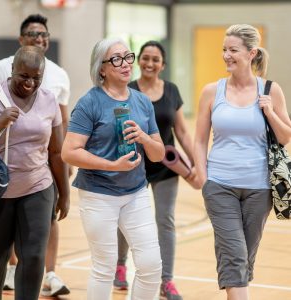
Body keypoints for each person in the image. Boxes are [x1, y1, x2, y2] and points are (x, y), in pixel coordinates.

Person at [193, 24, 291, 300]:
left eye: (233, 50)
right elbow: (199, 140)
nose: (226, 55)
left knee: (243, 260)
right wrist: (204, 179)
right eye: (224, 49)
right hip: (220, 186)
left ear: (252, 53)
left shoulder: (271, 90)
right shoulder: (212, 92)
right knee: (235, 257)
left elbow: (285, 137)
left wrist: (270, 111)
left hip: (259, 190)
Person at [61, 37, 164, 300]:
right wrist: (111, 165)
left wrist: (143, 137)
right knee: (104, 268)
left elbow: (159, 153)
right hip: (99, 194)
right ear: (102, 69)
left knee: (151, 265)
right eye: (116, 59)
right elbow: (69, 152)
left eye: (128, 57)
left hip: (136, 193)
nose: (126, 63)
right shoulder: (89, 103)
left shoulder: (142, 102)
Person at [0, 14, 71, 297]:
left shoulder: (49, 98)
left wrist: (64, 193)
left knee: (34, 256)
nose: (29, 83)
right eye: (23, 76)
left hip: (38, 187)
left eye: (36, 78)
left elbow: (57, 150)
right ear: (11, 70)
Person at [114, 40, 196, 300]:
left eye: (155, 59)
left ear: (163, 64)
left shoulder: (171, 90)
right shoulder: (128, 90)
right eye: (145, 58)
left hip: (165, 166)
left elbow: (181, 130)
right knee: (125, 218)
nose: (149, 63)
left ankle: (167, 281)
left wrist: (195, 163)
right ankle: (120, 265)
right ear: (139, 61)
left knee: (165, 221)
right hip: (133, 164)